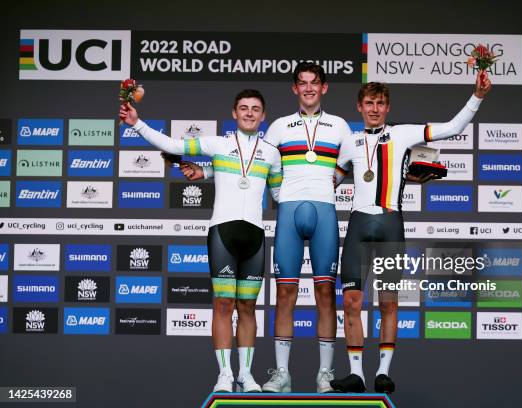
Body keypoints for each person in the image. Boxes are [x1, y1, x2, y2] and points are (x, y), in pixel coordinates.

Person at [330, 73, 492, 394]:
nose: (374, 108)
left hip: (390, 223)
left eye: (380, 103)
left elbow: (452, 128)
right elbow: (329, 181)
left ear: (388, 107)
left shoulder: (403, 134)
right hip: (359, 224)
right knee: (351, 301)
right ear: (359, 107)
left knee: (389, 302)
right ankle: (356, 375)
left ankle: (383, 372)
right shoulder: (348, 141)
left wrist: (477, 96)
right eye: (369, 103)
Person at [119, 89, 283, 393]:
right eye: (244, 108)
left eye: (255, 109)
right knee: (223, 304)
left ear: (264, 115)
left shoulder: (272, 152)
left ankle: (246, 375)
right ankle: (224, 374)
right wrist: (137, 123)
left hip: (255, 236)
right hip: (222, 232)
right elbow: (173, 144)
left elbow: (279, 194)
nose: (249, 113)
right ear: (234, 114)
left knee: (247, 306)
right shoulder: (218, 143)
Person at [261, 62, 352, 393]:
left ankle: (324, 375)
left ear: (324, 88)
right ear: (294, 89)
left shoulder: (339, 126)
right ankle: (281, 374)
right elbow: (266, 166)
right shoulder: (279, 126)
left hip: (324, 210)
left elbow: (352, 164)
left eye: (315, 83)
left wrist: (329, 184)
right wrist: (281, 194)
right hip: (288, 212)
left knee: (325, 293)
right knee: (284, 293)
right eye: (303, 83)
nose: (309, 88)